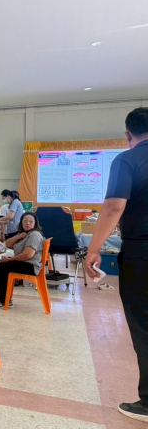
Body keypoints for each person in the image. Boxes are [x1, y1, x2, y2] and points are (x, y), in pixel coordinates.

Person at [84, 107, 148, 423]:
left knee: (145, 325)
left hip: (142, 253)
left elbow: (113, 207)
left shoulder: (127, 160)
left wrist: (93, 249)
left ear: (127, 135)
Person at [0, 212, 45, 308]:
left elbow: (27, 255)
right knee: (1, 266)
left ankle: (3, 300)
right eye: (25, 221)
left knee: (1, 267)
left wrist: (9, 260)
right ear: (21, 223)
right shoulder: (23, 234)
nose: (28, 223)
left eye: (31, 221)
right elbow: (7, 243)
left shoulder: (34, 235)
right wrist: (18, 237)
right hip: (24, 263)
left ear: (35, 224)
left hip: (30, 265)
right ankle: (5, 298)